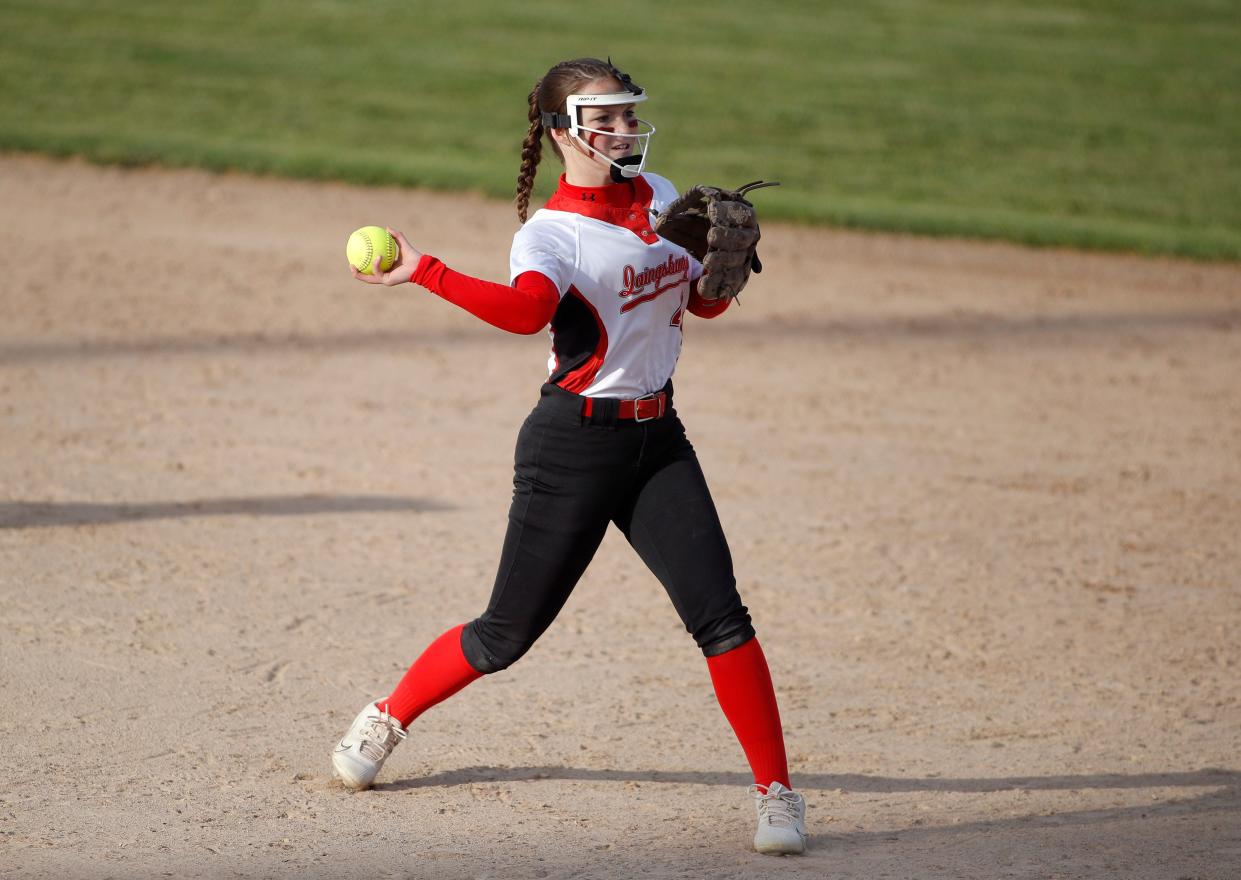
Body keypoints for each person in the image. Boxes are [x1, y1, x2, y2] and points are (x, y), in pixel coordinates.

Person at [333, 57, 807, 856]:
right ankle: (387, 717)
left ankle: (776, 793)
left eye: (629, 113)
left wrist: (722, 277)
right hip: (572, 446)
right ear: (563, 133)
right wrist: (424, 271)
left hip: (659, 440)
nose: (626, 128)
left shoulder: (661, 198)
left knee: (721, 616)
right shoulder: (549, 234)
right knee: (503, 636)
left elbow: (699, 305)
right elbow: (526, 315)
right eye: (608, 117)